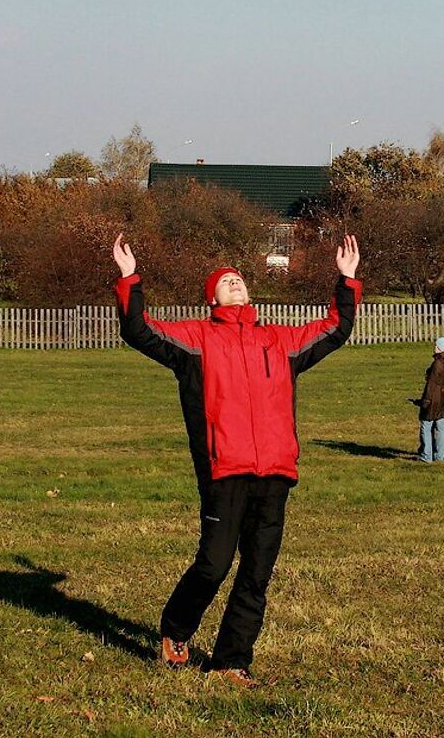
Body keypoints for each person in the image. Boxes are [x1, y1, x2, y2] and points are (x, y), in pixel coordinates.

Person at [112, 233, 362, 688]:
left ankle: (231, 661)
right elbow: (139, 331)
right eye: (225, 281)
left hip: (276, 472)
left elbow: (334, 330)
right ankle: (176, 628)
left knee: (256, 573)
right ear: (212, 297)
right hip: (224, 469)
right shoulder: (195, 339)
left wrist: (346, 281)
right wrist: (130, 279)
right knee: (214, 561)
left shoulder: (280, 341)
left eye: (239, 279)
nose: (235, 283)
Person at [412, 337, 444, 463]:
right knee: (440, 425)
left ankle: (427, 455)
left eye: (436, 346)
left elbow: (431, 384)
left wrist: (425, 400)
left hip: (434, 396)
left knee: (426, 425)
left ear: (440, 348)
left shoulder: (438, 363)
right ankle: (439, 456)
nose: (434, 348)